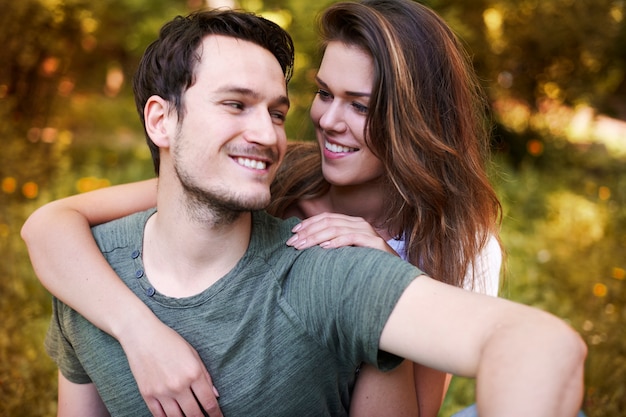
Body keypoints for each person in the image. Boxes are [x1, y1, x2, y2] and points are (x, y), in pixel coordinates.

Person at [21, 4, 587, 417]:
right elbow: (51, 223)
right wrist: (139, 332)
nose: (328, 121)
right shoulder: (277, 166)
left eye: (360, 105)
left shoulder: (454, 240)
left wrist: (387, 280)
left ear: (415, 121)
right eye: (322, 93)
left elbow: (420, 402)